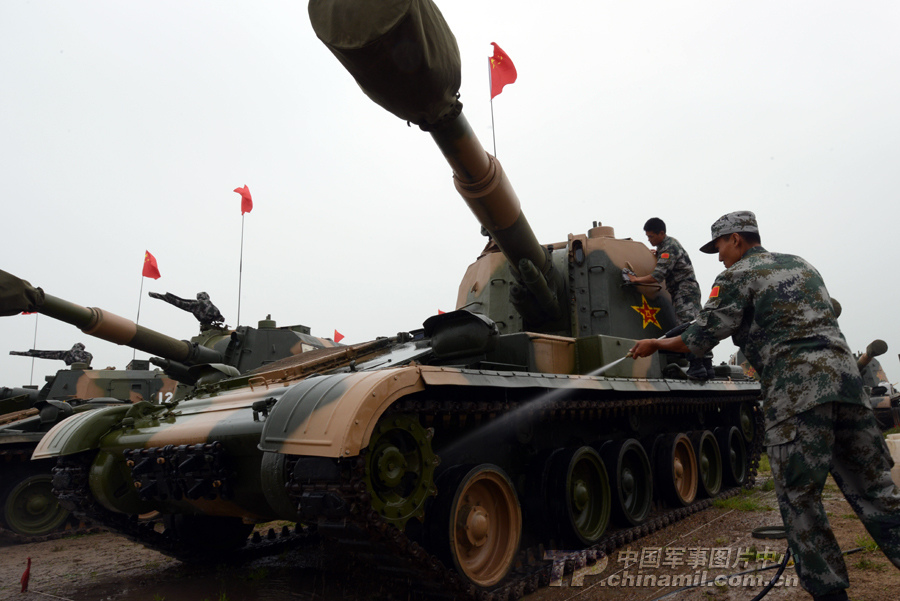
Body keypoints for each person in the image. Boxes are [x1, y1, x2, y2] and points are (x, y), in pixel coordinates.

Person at [629, 210, 900, 601]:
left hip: (797, 395)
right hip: (849, 389)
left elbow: (700, 337)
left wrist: (656, 343)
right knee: (878, 492)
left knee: (800, 500)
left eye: (720, 247)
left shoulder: (736, 276)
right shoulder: (802, 265)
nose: (720, 257)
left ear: (736, 239)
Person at [626, 217, 709, 378]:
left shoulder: (669, 247)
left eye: (651, 236)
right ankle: (706, 366)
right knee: (693, 324)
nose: (649, 240)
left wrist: (635, 280)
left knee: (687, 327)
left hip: (684, 291)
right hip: (685, 290)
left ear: (661, 233)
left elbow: (657, 276)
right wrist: (658, 253)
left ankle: (697, 366)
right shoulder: (667, 246)